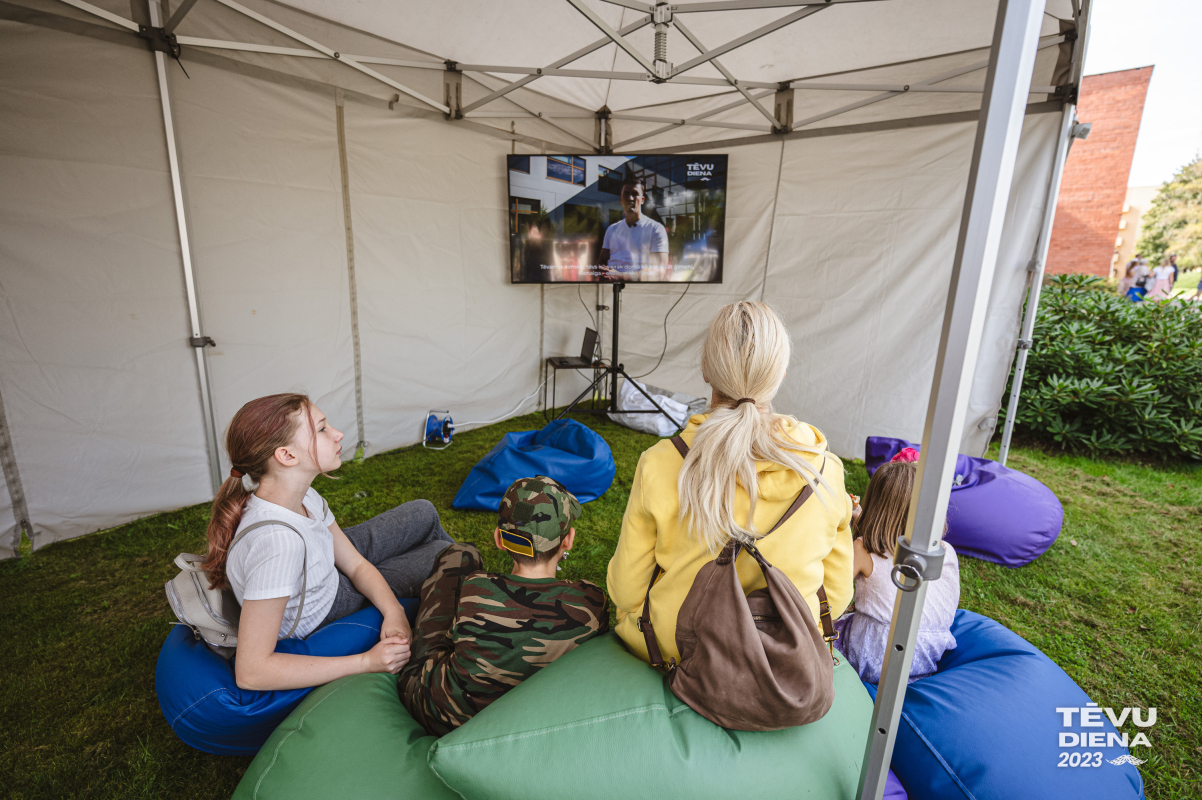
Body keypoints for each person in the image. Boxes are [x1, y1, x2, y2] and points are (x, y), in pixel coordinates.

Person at [606, 301, 854, 667]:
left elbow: (625, 589)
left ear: (706, 369)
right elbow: (836, 594)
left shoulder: (660, 463)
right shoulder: (824, 471)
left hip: (677, 651)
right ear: (780, 374)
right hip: (785, 657)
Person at [202, 393, 455, 691]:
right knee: (444, 554)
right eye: (322, 429)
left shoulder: (302, 495)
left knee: (423, 512)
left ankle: (449, 595)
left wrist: (394, 610)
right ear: (287, 456)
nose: (338, 434)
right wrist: (366, 662)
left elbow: (357, 564)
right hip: (330, 603)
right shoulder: (279, 544)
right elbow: (251, 672)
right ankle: (458, 606)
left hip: (322, 567)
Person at [398, 476, 608, 736]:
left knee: (461, 554)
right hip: (528, 726)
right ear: (568, 541)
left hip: (443, 716)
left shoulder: (476, 588)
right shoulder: (592, 602)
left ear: (499, 538)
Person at [834, 460, 960, 684]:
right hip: (927, 654)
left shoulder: (862, 550)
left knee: (833, 627)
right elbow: (891, 545)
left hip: (877, 656)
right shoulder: (945, 551)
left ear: (877, 505)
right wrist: (859, 518)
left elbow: (834, 592)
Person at [599, 178, 669, 282]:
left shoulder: (656, 228)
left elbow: (659, 272)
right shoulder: (612, 229)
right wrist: (603, 273)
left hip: (639, 291)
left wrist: (619, 276)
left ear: (642, 200)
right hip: (608, 288)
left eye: (635, 194)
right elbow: (601, 262)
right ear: (621, 199)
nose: (630, 198)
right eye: (626, 194)